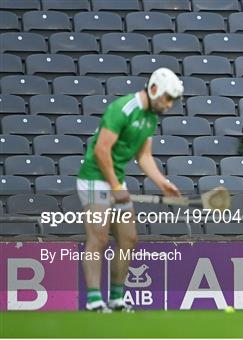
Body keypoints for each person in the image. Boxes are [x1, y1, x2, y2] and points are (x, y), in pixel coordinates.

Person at [77, 68, 184, 312]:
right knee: (99, 237)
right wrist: (115, 186)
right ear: (154, 89)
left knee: (128, 238)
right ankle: (94, 301)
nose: (168, 105)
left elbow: (144, 156)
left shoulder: (150, 118)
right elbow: (101, 151)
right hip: (94, 178)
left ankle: (116, 300)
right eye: (167, 98)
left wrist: (162, 183)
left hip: (116, 179)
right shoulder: (122, 109)